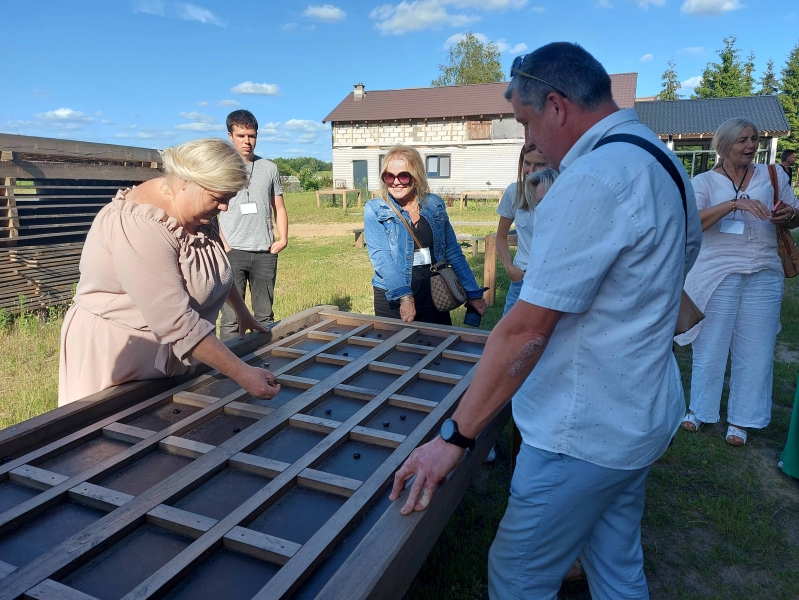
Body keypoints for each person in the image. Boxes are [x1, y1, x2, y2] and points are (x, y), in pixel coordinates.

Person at [389, 42, 701, 599]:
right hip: (637, 413)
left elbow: (528, 329)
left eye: (527, 122)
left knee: (519, 575)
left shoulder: (593, 178)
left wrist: (454, 438)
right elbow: (679, 265)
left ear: (556, 106)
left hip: (580, 430)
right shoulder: (662, 160)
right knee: (616, 563)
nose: (528, 141)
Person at [58, 138, 281, 405]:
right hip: (116, 359)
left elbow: (215, 267)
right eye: (219, 198)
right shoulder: (140, 224)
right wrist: (243, 374)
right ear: (187, 181)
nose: (225, 207)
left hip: (171, 359)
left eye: (229, 199)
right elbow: (175, 321)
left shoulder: (198, 212)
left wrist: (243, 314)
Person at [677, 119, 799, 446]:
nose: (750, 145)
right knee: (711, 344)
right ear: (724, 145)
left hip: (763, 271)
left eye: (754, 139)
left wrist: (787, 213)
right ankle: (699, 410)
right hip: (718, 272)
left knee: (756, 348)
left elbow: (796, 214)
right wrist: (734, 203)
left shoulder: (772, 175)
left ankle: (742, 420)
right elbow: (692, 224)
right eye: (742, 140)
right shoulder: (703, 182)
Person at [364, 145, 486, 325]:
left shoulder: (434, 204)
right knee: (395, 351)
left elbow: (452, 251)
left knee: (439, 349)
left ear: (416, 176)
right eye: (389, 176)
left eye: (403, 176)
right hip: (392, 295)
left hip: (435, 293)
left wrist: (473, 292)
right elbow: (381, 258)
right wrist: (404, 296)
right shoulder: (375, 208)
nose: (395, 182)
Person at [218, 109, 289, 342]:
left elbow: (279, 206)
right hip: (232, 251)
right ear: (230, 135)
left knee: (265, 316)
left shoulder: (270, 168)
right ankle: (227, 372)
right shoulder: (221, 168)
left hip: (265, 252)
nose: (247, 141)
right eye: (241, 136)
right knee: (230, 319)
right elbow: (211, 209)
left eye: (252, 135)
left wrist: (282, 239)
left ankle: (266, 364)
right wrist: (224, 244)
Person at [496, 147, 556, 315]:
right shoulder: (514, 191)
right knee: (508, 333)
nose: (531, 170)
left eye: (540, 164)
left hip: (552, 278)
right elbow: (501, 236)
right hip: (522, 276)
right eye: (527, 163)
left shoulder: (561, 193)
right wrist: (509, 266)